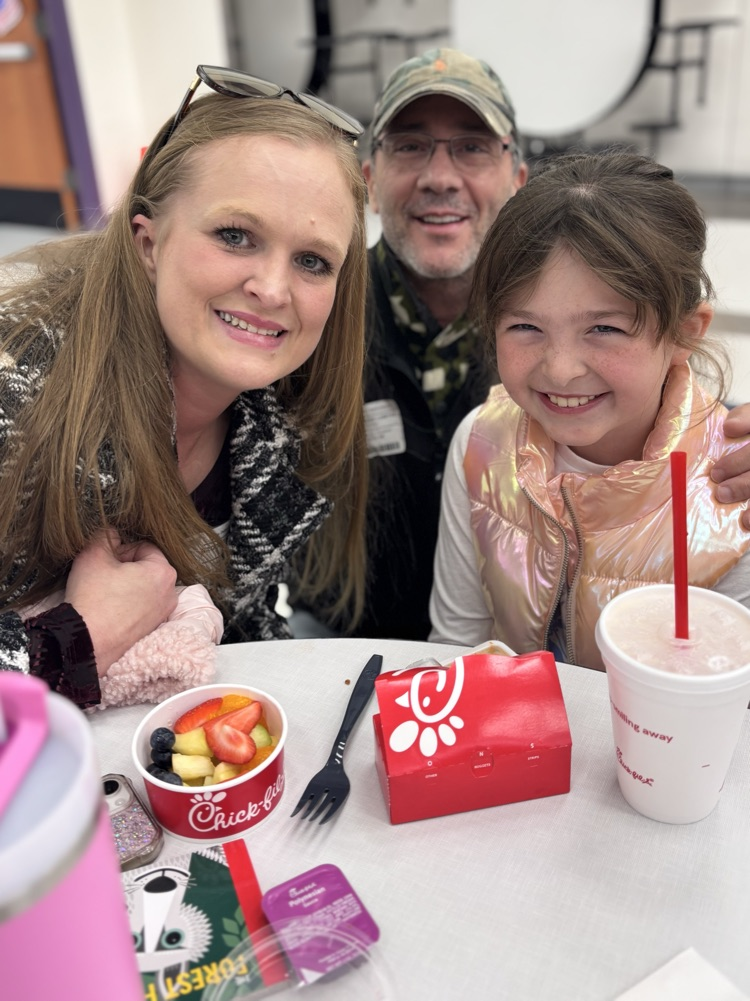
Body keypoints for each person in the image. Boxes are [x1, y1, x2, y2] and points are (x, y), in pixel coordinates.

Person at [321, 46, 750, 643]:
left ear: (517, 181)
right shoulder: (317, 316)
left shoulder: (729, 480)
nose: (562, 367)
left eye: (472, 146)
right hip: (347, 636)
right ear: (369, 179)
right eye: (410, 146)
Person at [0, 66, 369, 709]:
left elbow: (242, 632)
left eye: (312, 261)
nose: (272, 289)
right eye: (235, 236)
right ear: (148, 244)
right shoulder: (17, 395)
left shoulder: (283, 425)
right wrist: (74, 640)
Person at [429, 149, 750, 669]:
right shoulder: (481, 443)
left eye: (604, 328)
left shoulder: (734, 488)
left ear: (685, 332)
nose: (560, 370)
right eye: (525, 326)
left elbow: (730, 693)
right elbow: (456, 643)